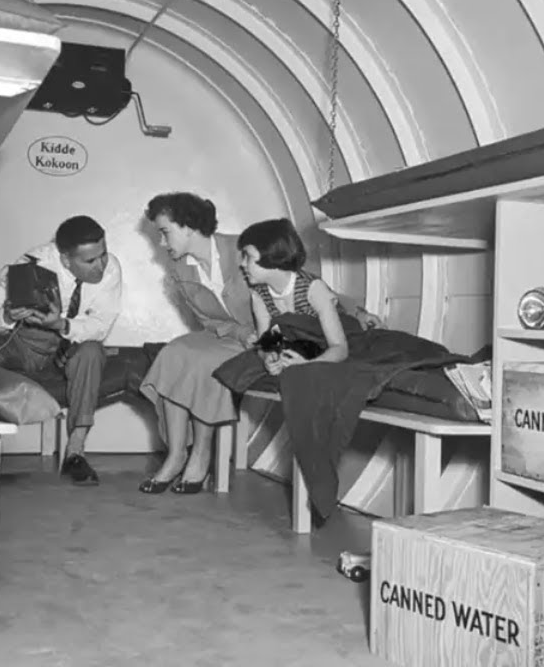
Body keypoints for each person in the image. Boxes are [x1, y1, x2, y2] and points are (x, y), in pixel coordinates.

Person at [138, 195, 381, 494]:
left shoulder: (245, 249)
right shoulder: (180, 270)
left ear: (188, 227)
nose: (162, 242)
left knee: (201, 363)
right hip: (234, 334)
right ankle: (176, 455)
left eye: (165, 232)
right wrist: (239, 333)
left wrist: (358, 312)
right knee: (173, 353)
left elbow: (300, 282)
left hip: (268, 334)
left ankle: (200, 455)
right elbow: (207, 320)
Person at [0, 215, 123, 486]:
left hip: (65, 348)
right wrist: (8, 315)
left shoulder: (111, 270)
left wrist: (60, 324)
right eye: (90, 261)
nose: (101, 265)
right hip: (22, 344)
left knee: (92, 352)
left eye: (103, 254)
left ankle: (75, 453)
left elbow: (100, 326)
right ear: (65, 260)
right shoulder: (32, 263)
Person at [238, 218, 350, 377]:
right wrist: (269, 358)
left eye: (247, 256)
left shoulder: (313, 289)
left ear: (271, 255)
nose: (242, 264)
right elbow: (265, 344)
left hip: (332, 350)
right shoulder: (258, 295)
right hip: (299, 348)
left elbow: (340, 348)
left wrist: (308, 365)